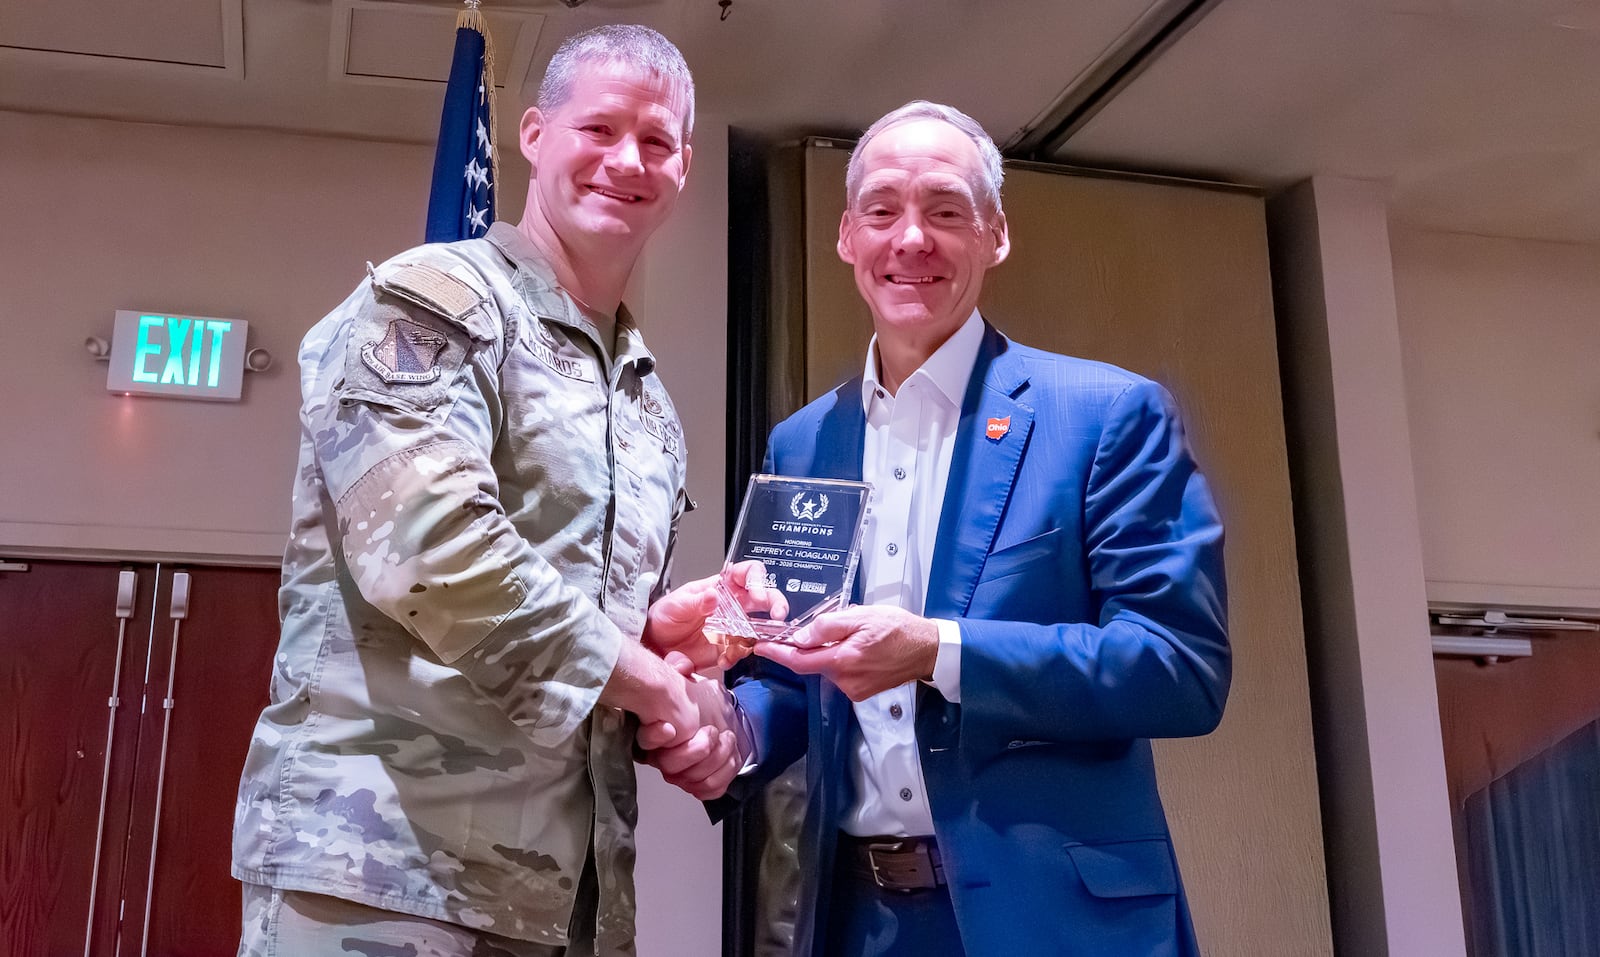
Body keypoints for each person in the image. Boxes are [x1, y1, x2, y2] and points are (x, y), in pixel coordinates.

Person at [232, 25, 746, 957]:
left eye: (658, 141)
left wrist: (682, 669)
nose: (627, 159)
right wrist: (656, 682)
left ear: (684, 168)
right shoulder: (438, 298)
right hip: (386, 873)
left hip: (566, 904)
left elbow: (589, 632)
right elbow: (431, 546)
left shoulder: (647, 401)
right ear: (536, 134)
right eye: (599, 128)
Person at [681, 101, 1231, 957]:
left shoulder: (1106, 415)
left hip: (1056, 921)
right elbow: (792, 668)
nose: (912, 239)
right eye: (883, 211)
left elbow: (1179, 667)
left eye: (945, 211)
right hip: (859, 920)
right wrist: (730, 731)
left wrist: (938, 649)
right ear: (846, 238)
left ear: (994, 235)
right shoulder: (805, 441)